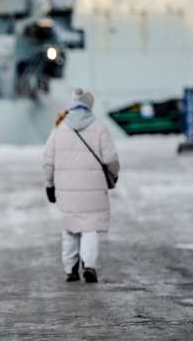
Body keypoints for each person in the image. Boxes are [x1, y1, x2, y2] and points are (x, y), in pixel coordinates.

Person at [43, 88, 120, 283]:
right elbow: (111, 158)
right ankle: (90, 266)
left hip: (66, 189)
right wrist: (114, 174)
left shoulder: (59, 129)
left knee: (70, 228)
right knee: (89, 228)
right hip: (93, 188)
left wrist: (49, 184)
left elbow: (48, 160)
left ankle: (70, 269)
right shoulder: (99, 127)